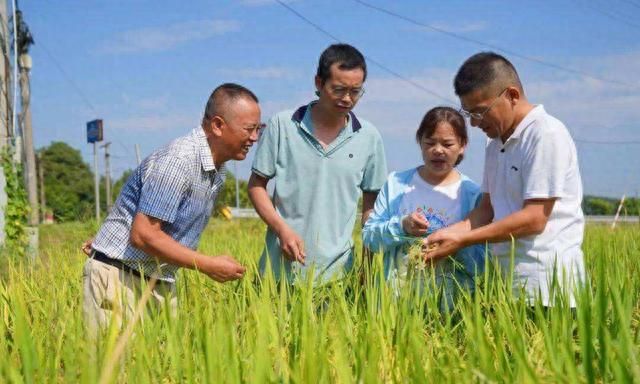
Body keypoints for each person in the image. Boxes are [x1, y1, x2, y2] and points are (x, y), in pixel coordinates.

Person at [83, 83, 261, 334]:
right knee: (116, 370)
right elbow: (144, 235)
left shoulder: (216, 169)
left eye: (258, 130)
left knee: (161, 370)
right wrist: (208, 265)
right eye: (249, 129)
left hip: (158, 282)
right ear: (218, 125)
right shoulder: (178, 160)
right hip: (121, 280)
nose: (254, 138)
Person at [425, 52, 586, 307]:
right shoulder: (495, 143)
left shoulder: (545, 134)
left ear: (512, 95)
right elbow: (487, 210)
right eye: (469, 114)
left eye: (481, 112)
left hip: (547, 289)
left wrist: (463, 240)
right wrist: (445, 235)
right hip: (504, 283)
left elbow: (534, 219)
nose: (475, 123)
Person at [248, 44, 387, 283]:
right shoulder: (283, 125)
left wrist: (368, 265)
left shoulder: (369, 136)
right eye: (339, 89)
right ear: (319, 83)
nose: (346, 99)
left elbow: (371, 208)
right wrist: (281, 229)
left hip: (337, 276)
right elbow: (256, 185)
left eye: (355, 92)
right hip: (279, 271)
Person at [363, 107, 485, 310]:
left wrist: (455, 244)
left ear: (462, 146)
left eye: (447, 144)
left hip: (451, 310)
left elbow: (483, 262)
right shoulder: (396, 184)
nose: (438, 150)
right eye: (430, 143)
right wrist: (402, 226)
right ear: (420, 142)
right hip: (396, 307)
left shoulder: (472, 194)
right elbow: (370, 238)